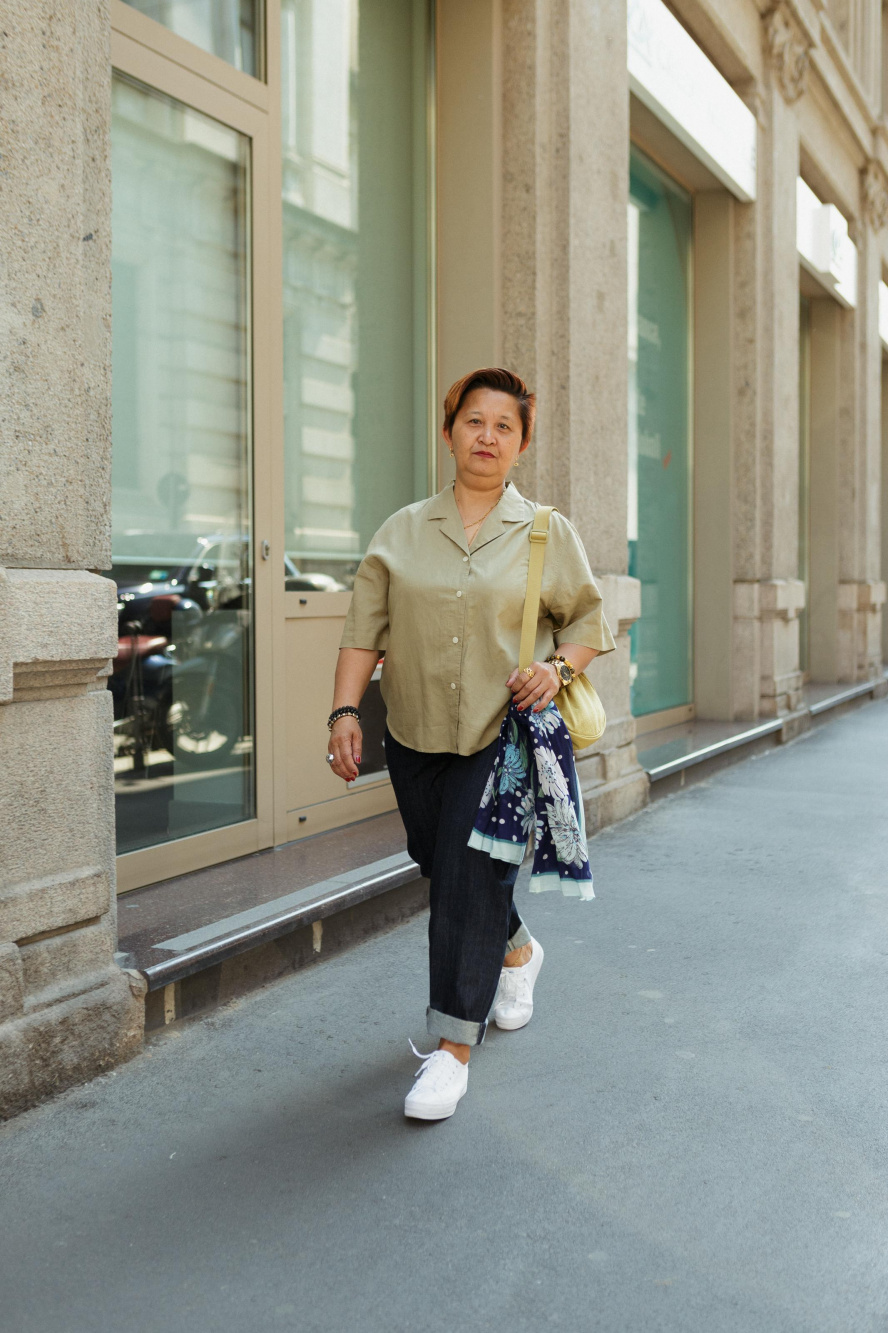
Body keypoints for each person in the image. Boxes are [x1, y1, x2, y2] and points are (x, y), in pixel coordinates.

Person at [325, 367, 615, 1120]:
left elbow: (587, 626)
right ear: (450, 430)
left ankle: (451, 1047)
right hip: (414, 731)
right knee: (441, 859)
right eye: (474, 421)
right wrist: (344, 712)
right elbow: (364, 632)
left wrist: (555, 671)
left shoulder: (546, 531)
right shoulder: (401, 531)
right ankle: (515, 947)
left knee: (463, 871)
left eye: (504, 426)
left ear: (521, 443)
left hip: (500, 736)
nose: (488, 436)